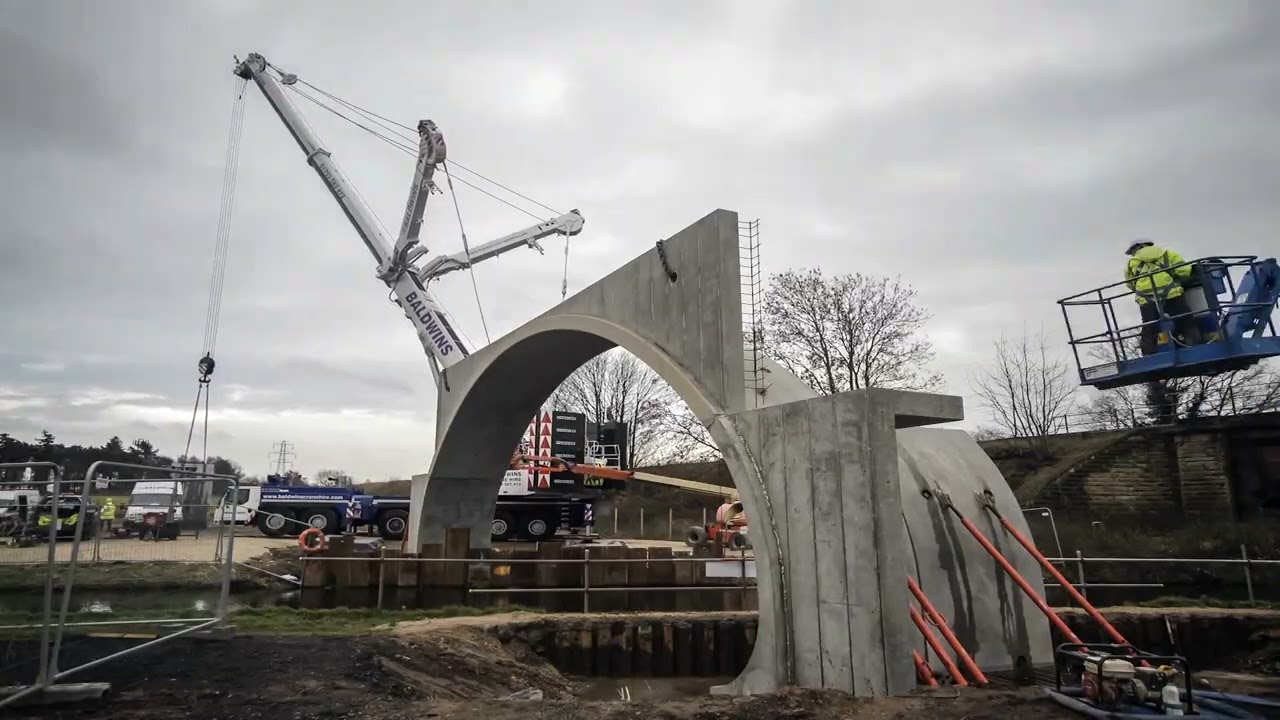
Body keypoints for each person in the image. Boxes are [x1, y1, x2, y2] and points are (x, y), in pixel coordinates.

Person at [1124, 239, 1202, 355]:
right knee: (1185, 321)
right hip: (1172, 294)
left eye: (1132, 251)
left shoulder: (1131, 263)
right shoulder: (1168, 254)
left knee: (1150, 327)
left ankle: (1148, 356)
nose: (1132, 254)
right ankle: (1195, 346)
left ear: (1136, 248)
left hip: (1147, 300)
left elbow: (1130, 284)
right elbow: (1184, 271)